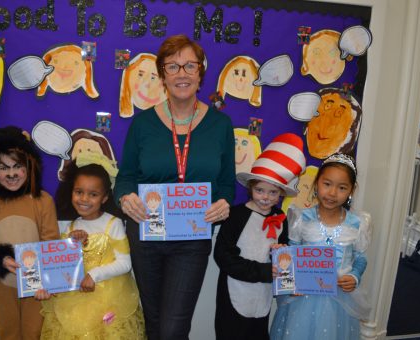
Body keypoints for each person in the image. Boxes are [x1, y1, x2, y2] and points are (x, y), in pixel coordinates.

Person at [114, 34, 235, 339]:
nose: (182, 73)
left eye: (189, 66)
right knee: (153, 321)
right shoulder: (142, 124)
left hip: (191, 240)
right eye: (173, 66)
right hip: (146, 233)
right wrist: (126, 197)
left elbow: (226, 184)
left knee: (173, 327)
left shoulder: (221, 125)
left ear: (200, 73)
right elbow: (125, 176)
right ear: (163, 75)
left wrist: (223, 202)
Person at [0, 126, 60, 340]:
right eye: (4, 168)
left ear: (29, 166)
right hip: (2, 285)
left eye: (17, 166)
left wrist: (48, 281)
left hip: (36, 287)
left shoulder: (43, 201)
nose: (12, 174)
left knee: (36, 333)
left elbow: (51, 243)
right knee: (8, 334)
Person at [36, 159, 145, 339]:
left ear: (104, 197)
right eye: (79, 192)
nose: (84, 199)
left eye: (93, 194)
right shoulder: (70, 228)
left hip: (109, 300)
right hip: (75, 303)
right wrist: (45, 285)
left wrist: (94, 275)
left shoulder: (113, 224)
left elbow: (125, 263)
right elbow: (61, 269)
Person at [214, 133, 307, 340]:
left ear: (280, 194)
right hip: (234, 292)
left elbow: (284, 260)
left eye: (273, 193)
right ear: (250, 188)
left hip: (262, 295)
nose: (266, 197)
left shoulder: (280, 219)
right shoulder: (235, 216)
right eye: (260, 190)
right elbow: (222, 256)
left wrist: (285, 269)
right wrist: (262, 270)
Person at [270, 153, 371, 340]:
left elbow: (360, 256)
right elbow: (292, 252)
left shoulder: (358, 223)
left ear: (352, 190)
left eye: (342, 188)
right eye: (327, 184)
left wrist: (354, 276)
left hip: (340, 299)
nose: (332, 193)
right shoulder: (300, 218)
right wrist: (284, 264)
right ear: (317, 183)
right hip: (303, 297)